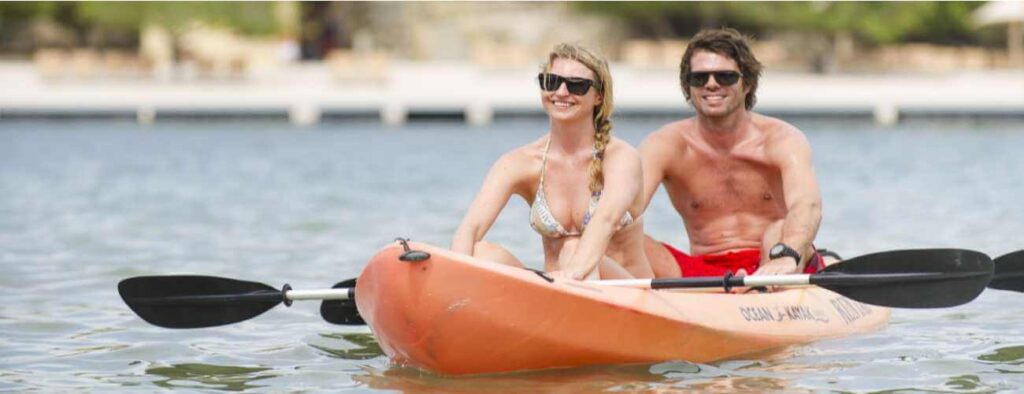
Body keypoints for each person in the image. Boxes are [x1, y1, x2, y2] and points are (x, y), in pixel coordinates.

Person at [639, 28, 830, 280]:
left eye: (725, 76)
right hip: (704, 273)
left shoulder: (782, 140)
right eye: (699, 78)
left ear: (747, 83)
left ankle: (785, 274)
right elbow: (622, 211)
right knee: (627, 237)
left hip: (776, 260)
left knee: (777, 230)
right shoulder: (665, 145)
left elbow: (807, 205)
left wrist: (788, 255)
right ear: (688, 86)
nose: (711, 84)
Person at [451, 43, 653, 281]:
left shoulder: (621, 158)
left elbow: (605, 221)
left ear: (598, 96)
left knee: (572, 248)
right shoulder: (520, 162)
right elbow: (470, 228)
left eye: (576, 85)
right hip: (559, 288)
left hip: (630, 292)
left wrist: (569, 277)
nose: (561, 92)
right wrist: (455, 275)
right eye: (552, 82)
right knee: (481, 253)